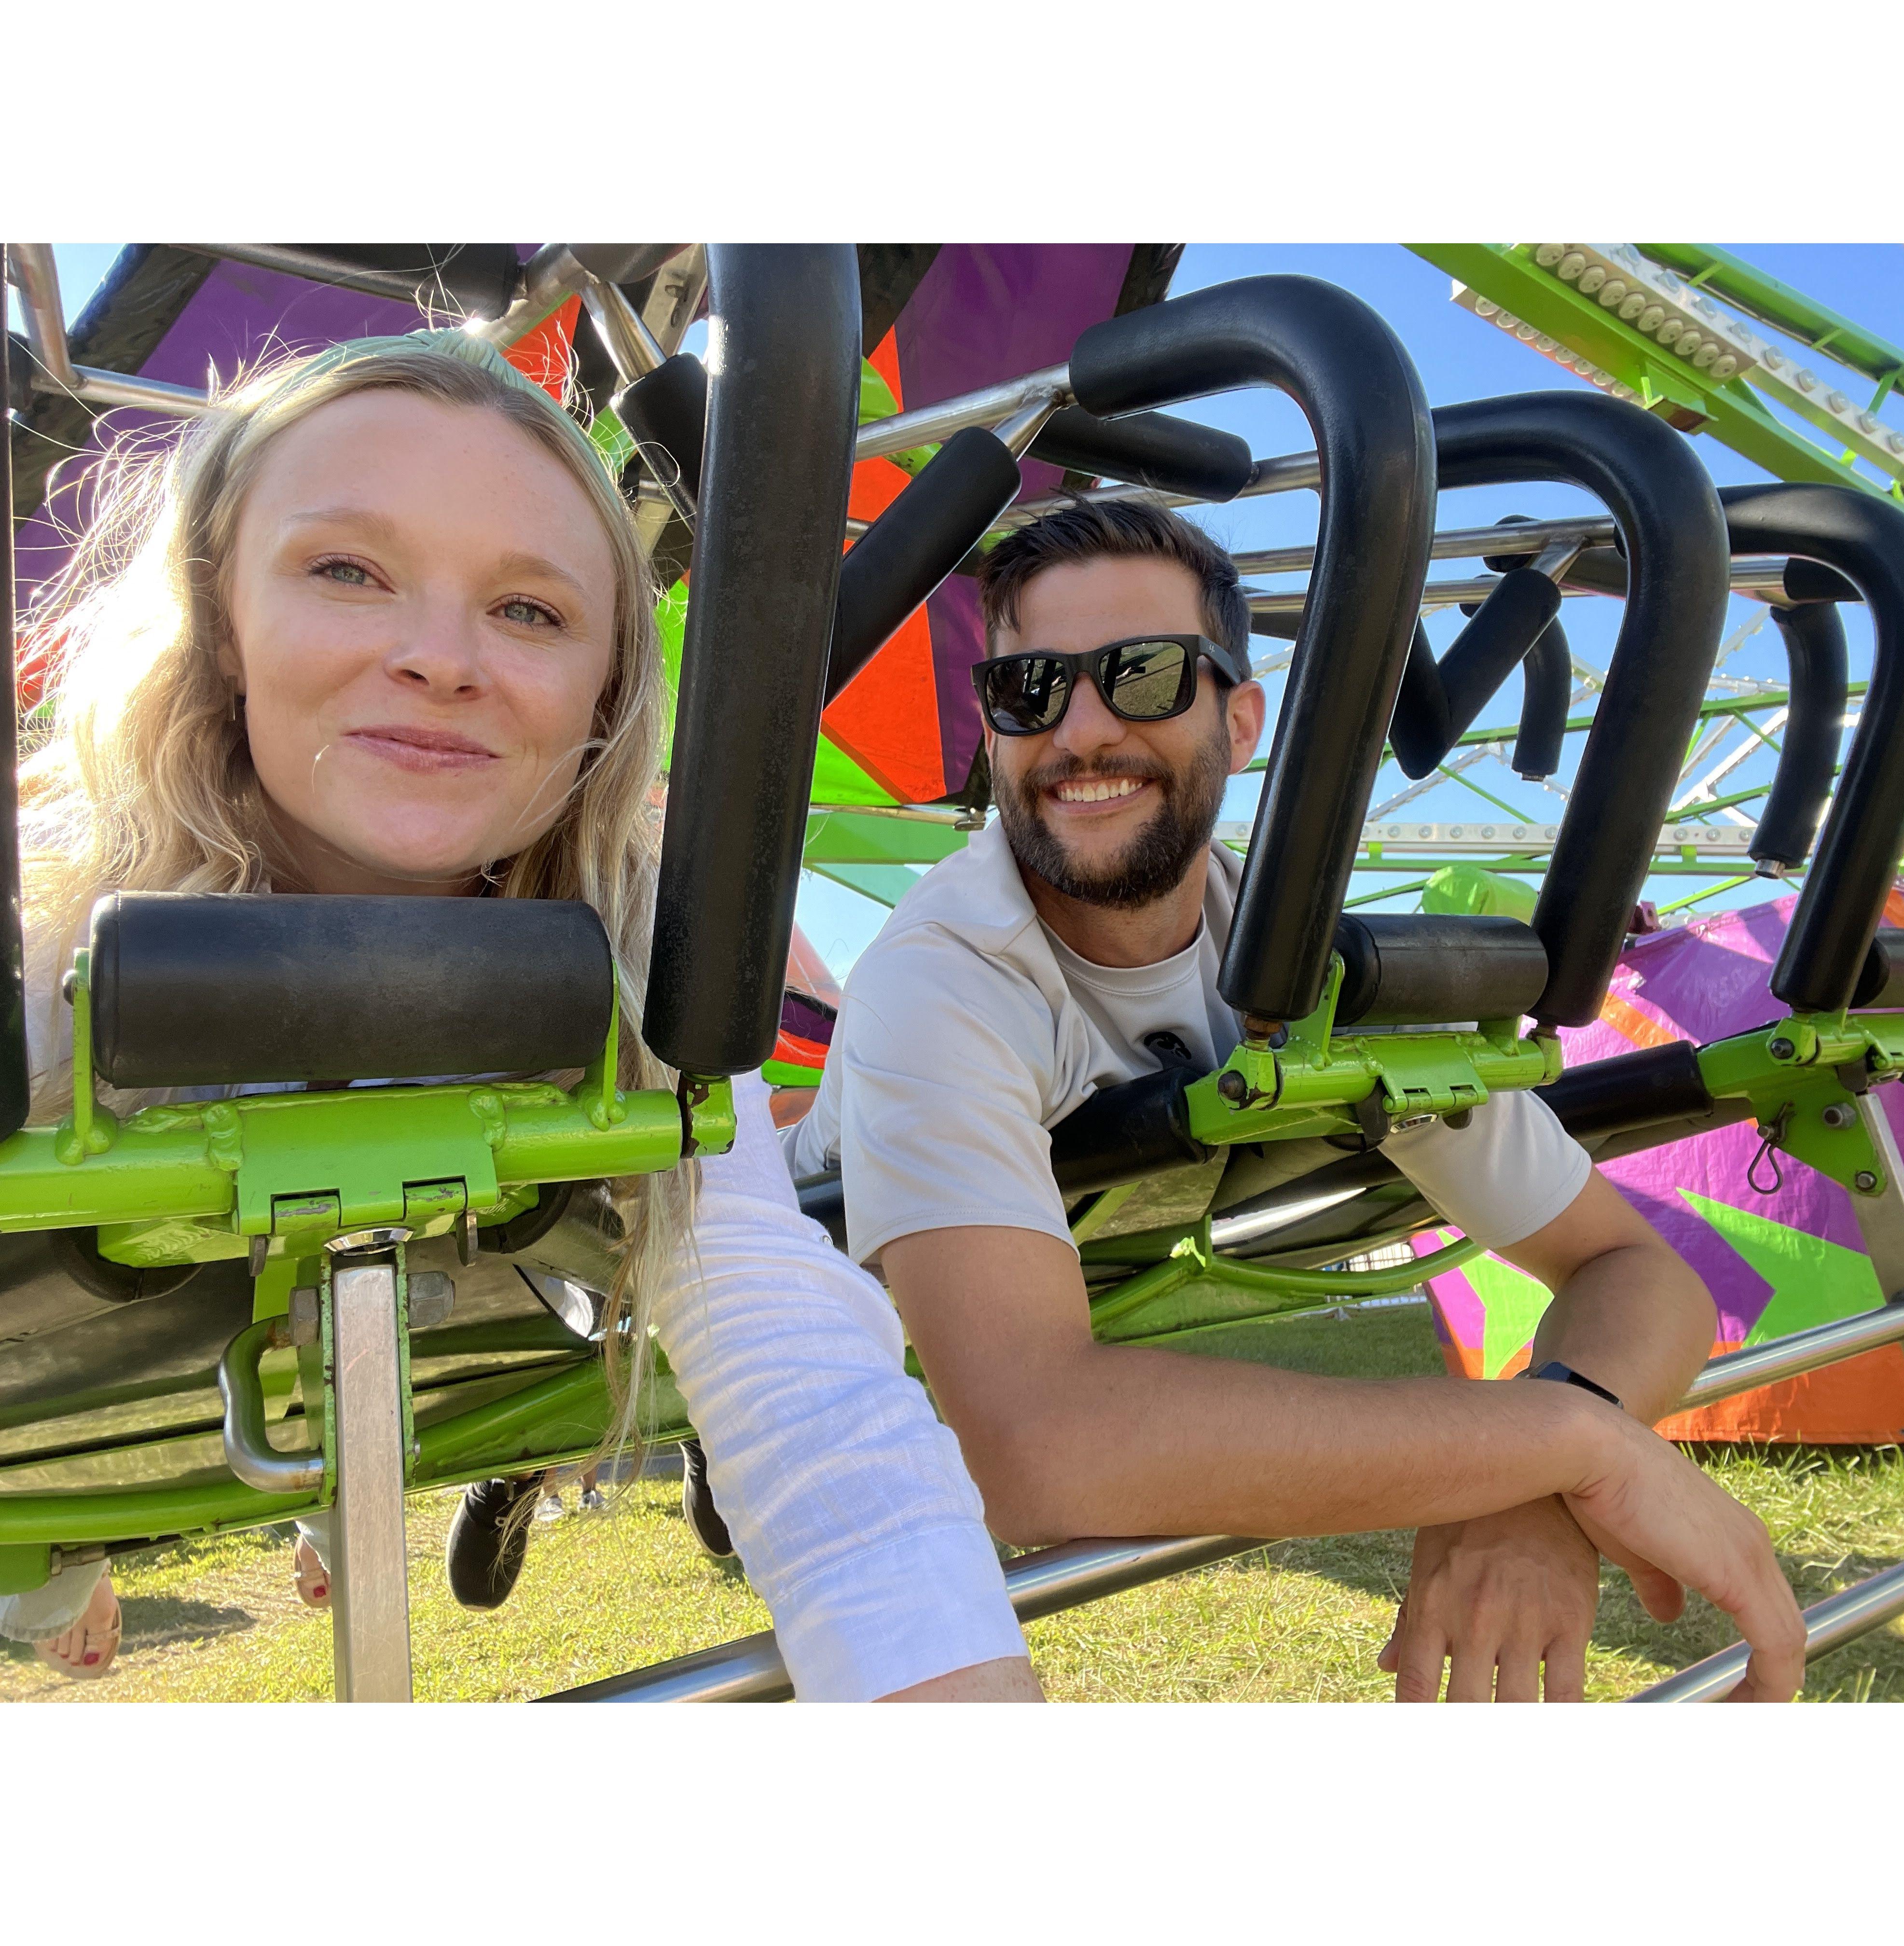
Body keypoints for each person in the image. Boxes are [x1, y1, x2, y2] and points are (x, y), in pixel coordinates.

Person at [0, 330, 1039, 1701]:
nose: (441, 657)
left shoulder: (646, 980)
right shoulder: (44, 953)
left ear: (606, 699)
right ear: (222, 622)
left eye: (531, 611)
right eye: (347, 571)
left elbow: (782, 1344)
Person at [785, 497, 1808, 1703]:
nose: (1083, 731)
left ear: (1242, 714)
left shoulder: (1324, 968)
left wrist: (1537, 1479)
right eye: (1032, 690)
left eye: (1145, 674)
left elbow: (1637, 1272)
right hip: (826, 1271)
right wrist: (1573, 1445)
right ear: (993, 729)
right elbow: (1032, 1447)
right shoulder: (947, 972)